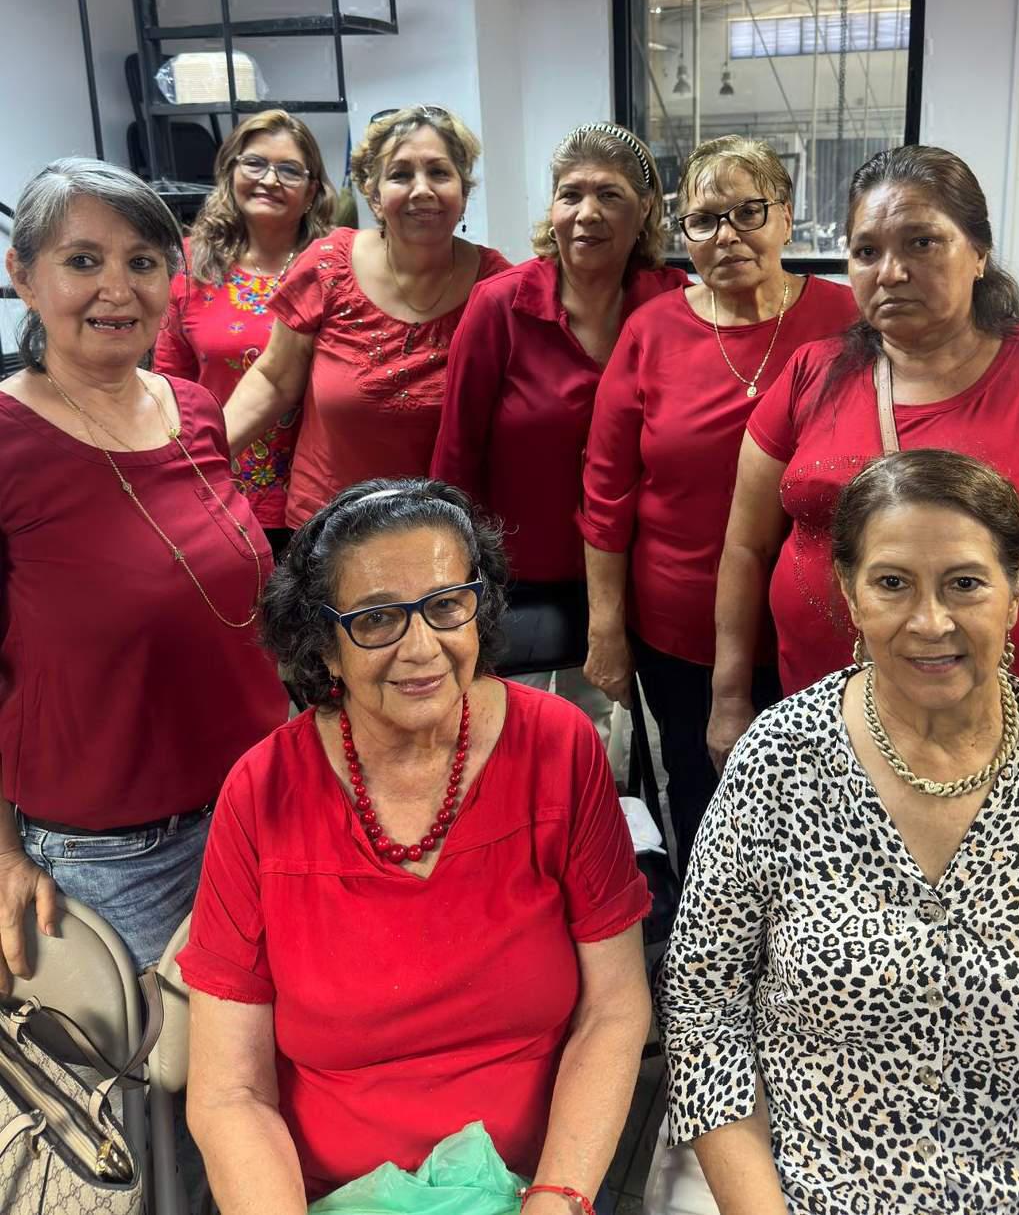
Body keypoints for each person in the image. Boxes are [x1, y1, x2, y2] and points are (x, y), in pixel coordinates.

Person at [656, 449, 1019, 1215]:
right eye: (892, 584)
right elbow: (704, 1004)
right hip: (791, 1182)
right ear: (850, 595)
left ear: (1016, 588)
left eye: (964, 583)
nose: (930, 623)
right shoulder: (779, 760)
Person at [180, 479, 651, 1214]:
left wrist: (557, 1197)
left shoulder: (559, 748)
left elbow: (615, 1009)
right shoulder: (262, 791)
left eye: (444, 605)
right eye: (375, 620)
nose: (422, 648)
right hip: (324, 1195)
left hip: (536, 1186)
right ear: (322, 648)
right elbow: (230, 1091)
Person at [707, 144, 1019, 820]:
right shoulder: (811, 374)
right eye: (865, 251)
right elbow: (746, 547)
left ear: (978, 253)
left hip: (1010, 736)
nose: (890, 272)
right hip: (825, 725)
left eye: (921, 242)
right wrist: (728, 700)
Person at [0, 158, 288, 978]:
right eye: (82, 260)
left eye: (142, 261)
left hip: (258, 800)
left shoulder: (192, 409)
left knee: (265, 1051)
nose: (116, 289)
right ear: (22, 275)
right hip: (115, 851)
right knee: (154, 1086)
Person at [579, 136, 859, 876]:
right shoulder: (653, 331)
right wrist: (606, 624)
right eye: (703, 221)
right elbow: (605, 489)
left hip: (824, 621)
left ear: (788, 217)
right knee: (705, 791)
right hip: (681, 622)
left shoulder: (849, 320)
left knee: (823, 803)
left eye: (747, 211)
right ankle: (710, 951)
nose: (727, 235)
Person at [430, 123, 688, 737]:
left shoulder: (674, 305)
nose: (587, 214)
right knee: (498, 735)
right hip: (508, 580)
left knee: (595, 734)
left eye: (611, 195)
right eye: (571, 195)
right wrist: (451, 578)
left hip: (629, 579)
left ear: (646, 209)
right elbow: (455, 454)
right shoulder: (501, 305)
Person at [220, 105, 510, 529]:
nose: (422, 190)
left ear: (463, 192)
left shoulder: (496, 285)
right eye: (401, 174)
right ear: (373, 193)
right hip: (330, 530)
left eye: (439, 173)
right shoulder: (327, 265)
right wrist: (197, 461)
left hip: (443, 534)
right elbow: (274, 378)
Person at [153, 110, 337, 557]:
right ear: (230, 171)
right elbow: (168, 388)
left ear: (311, 190)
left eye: (290, 169)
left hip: (319, 498)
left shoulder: (337, 265)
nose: (269, 180)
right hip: (217, 487)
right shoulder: (190, 266)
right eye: (254, 163)